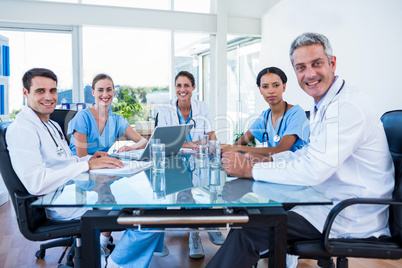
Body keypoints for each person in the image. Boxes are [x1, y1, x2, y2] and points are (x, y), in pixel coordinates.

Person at [206, 32, 394, 268]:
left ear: (332, 63)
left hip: (347, 213)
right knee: (252, 211)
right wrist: (262, 163)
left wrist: (249, 170)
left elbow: (313, 170)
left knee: (250, 230)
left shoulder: (347, 107)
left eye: (317, 64)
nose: (310, 74)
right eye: (301, 67)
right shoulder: (322, 104)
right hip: (322, 198)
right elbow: (305, 155)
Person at [157, 71, 225, 259]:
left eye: (186, 85)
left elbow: (210, 133)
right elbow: (165, 139)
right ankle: (194, 234)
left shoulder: (202, 107)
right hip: (174, 160)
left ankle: (211, 224)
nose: (182, 89)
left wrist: (215, 147)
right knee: (186, 196)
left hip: (198, 158)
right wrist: (194, 145)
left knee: (210, 189)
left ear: (193, 87)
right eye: (179, 85)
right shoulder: (165, 108)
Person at [222, 66, 309, 157]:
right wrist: (223, 149)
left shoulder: (297, 113)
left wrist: (237, 148)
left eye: (276, 85)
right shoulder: (265, 116)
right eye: (265, 86)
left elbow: (281, 150)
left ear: (283, 87)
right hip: (276, 167)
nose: (271, 91)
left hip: (298, 168)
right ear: (260, 90)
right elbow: (239, 143)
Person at [68, 73, 147, 156]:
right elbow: (81, 156)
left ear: (113, 92)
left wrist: (132, 147)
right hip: (80, 166)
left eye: (109, 90)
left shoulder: (117, 120)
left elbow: (144, 141)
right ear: (93, 92)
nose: (105, 94)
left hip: (102, 166)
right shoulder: (82, 117)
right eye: (100, 90)